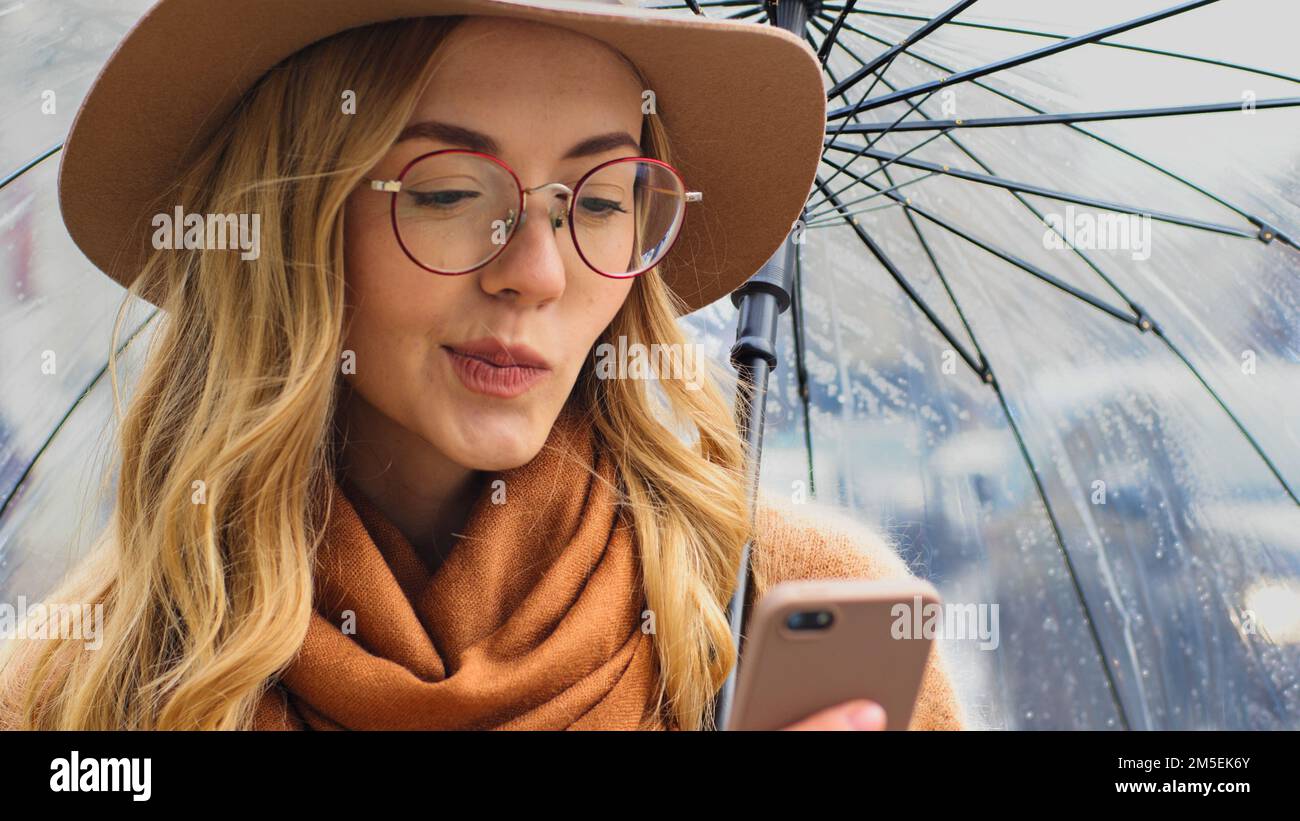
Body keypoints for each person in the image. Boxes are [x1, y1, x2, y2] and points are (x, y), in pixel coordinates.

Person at [0, 0, 965, 731]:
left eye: (596, 202)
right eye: (452, 190)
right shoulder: (82, 685)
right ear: (295, 217)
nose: (536, 274)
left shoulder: (781, 607)